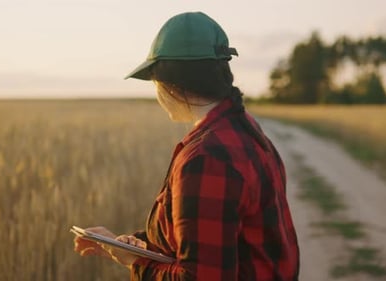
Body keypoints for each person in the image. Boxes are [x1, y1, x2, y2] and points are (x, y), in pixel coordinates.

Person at [73, 11, 300, 280]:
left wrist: (136, 262)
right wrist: (133, 245)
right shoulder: (244, 131)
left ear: (170, 84)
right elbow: (212, 242)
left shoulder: (207, 158)